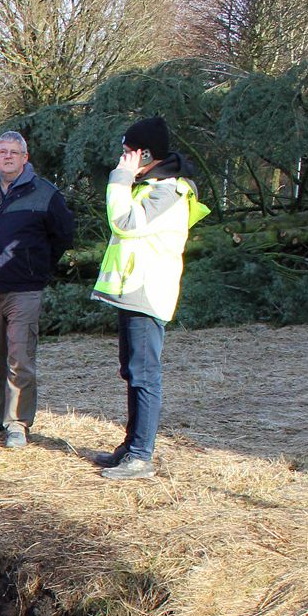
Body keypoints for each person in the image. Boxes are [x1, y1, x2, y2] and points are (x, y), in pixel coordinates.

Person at [90, 116, 208, 481]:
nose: (122, 158)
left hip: (147, 293)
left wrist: (120, 179)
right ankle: (131, 447)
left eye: (127, 152)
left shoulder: (167, 192)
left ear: (145, 154)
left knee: (144, 375)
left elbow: (124, 223)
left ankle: (141, 456)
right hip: (133, 292)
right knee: (133, 372)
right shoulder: (153, 186)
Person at [0, 131, 76, 450]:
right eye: (2, 151)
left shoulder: (45, 194)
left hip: (24, 290)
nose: (8, 156)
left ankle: (17, 423)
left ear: (25, 158)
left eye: (14, 152)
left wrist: (37, 266)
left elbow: (63, 236)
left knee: (20, 359)